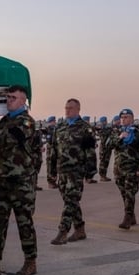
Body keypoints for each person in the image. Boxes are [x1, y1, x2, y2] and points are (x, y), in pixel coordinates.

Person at [0, 85, 39, 275]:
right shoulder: (6, 120)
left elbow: (7, 141)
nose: (8, 100)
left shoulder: (27, 122)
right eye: (7, 97)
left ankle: (31, 262)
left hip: (21, 183)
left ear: (23, 101)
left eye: (13, 97)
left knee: (25, 224)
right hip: (4, 181)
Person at [48, 98, 97, 245]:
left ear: (78, 110)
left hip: (76, 171)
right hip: (62, 170)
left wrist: (90, 172)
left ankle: (63, 232)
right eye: (66, 108)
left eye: (70, 108)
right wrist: (51, 171)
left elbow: (90, 152)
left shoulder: (85, 128)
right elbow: (53, 150)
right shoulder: (60, 127)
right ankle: (80, 229)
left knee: (70, 201)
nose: (67, 110)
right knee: (71, 201)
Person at [110, 108, 139, 229]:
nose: (123, 119)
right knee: (124, 193)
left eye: (126, 117)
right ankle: (132, 216)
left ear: (132, 119)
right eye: (122, 117)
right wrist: (120, 137)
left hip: (132, 169)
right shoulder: (116, 132)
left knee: (130, 193)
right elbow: (108, 145)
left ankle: (127, 217)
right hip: (119, 168)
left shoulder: (138, 133)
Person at [96, 116, 113, 182]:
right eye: (104, 121)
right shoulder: (101, 129)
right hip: (103, 148)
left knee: (106, 161)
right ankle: (102, 176)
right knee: (103, 161)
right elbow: (103, 134)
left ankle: (104, 175)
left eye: (105, 121)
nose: (105, 122)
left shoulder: (107, 128)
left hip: (108, 147)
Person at [43, 115, 58, 189]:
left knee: (54, 166)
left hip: (55, 150)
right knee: (50, 166)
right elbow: (49, 140)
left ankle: (53, 181)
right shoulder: (49, 130)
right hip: (50, 150)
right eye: (54, 121)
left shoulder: (55, 129)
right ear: (51, 122)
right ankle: (50, 182)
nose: (55, 122)